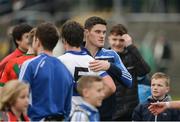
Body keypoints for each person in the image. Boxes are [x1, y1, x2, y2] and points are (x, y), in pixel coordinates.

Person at [18, 22, 74, 121]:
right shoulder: (65, 70)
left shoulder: (31, 64)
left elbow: (18, 97)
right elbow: (68, 108)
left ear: (37, 41)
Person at [58, 21, 115, 114]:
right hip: (87, 111)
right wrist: (93, 99)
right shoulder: (92, 61)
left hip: (67, 111)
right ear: (82, 38)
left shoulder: (59, 61)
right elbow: (111, 87)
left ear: (63, 40)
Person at [84, 16, 132, 120]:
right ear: (86, 32)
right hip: (81, 113)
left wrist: (110, 66)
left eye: (104, 32)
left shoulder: (111, 55)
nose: (102, 36)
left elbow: (129, 81)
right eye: (97, 32)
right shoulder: (77, 54)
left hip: (107, 116)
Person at [107, 24, 151, 120]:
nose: (118, 43)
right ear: (109, 39)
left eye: (121, 40)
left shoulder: (132, 55)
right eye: (114, 39)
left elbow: (144, 71)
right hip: (111, 111)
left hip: (131, 111)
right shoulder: (103, 57)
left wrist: (131, 46)